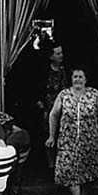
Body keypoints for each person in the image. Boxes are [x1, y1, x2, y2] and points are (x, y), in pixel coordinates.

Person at [45, 67, 98, 195]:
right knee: (70, 170)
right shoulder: (64, 95)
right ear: (71, 79)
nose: (78, 79)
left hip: (89, 140)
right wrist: (51, 136)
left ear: (86, 80)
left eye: (81, 77)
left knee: (89, 170)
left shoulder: (94, 94)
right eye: (75, 77)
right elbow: (53, 115)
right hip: (68, 141)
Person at [38, 42, 68, 170]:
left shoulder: (63, 70)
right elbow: (38, 88)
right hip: (48, 105)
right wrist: (41, 104)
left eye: (61, 53)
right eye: (58, 53)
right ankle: (50, 163)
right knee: (48, 132)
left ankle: (61, 161)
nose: (61, 55)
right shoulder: (45, 70)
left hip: (61, 104)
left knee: (62, 132)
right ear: (51, 56)